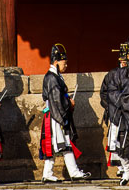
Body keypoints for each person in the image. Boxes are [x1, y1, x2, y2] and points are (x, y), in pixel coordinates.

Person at [39, 44, 90, 182]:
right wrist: (69, 103)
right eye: (64, 63)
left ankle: (60, 172)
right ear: (56, 62)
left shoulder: (55, 76)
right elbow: (56, 99)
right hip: (55, 115)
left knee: (62, 144)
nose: (66, 65)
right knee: (60, 143)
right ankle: (59, 173)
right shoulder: (51, 77)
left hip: (56, 114)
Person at [107, 35, 129, 186]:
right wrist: (124, 102)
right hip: (123, 114)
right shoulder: (119, 74)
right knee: (120, 146)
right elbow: (112, 92)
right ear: (128, 57)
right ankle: (127, 169)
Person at [101, 43, 128, 177]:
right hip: (114, 112)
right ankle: (120, 167)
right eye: (122, 62)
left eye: (125, 61)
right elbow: (104, 94)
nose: (124, 64)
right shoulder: (111, 74)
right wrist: (110, 107)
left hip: (127, 112)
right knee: (115, 140)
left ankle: (127, 167)